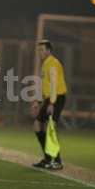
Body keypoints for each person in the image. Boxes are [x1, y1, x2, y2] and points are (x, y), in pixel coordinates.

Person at [32, 40, 67, 170]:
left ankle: (57, 161)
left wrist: (51, 103)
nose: (39, 52)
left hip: (57, 97)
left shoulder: (53, 63)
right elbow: (45, 86)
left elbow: (53, 85)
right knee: (37, 125)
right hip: (50, 98)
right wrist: (38, 101)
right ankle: (48, 158)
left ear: (49, 51)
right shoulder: (46, 64)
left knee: (50, 128)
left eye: (42, 50)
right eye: (38, 50)